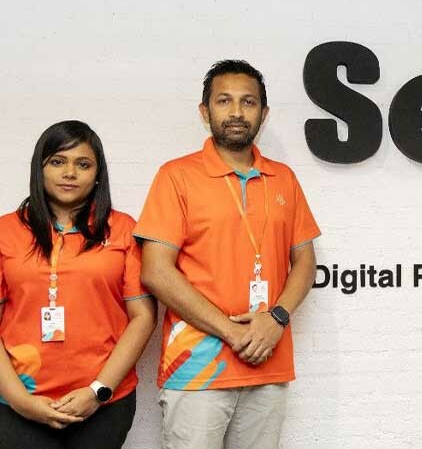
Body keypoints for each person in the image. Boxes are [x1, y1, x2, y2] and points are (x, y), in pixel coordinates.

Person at [135, 59, 319, 449]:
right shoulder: (176, 176)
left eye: (248, 102)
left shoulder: (284, 178)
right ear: (205, 112)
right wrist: (231, 331)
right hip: (196, 370)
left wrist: (277, 319)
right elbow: (155, 271)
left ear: (263, 114)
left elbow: (305, 261)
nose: (236, 111)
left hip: (268, 363)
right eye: (224, 101)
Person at [0, 121, 157, 449]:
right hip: (18, 400)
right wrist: (19, 400)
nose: (70, 173)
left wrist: (97, 391)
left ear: (98, 175)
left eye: (83, 164)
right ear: (39, 168)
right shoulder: (6, 231)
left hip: (104, 400)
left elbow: (143, 317)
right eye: (58, 161)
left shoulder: (122, 230)